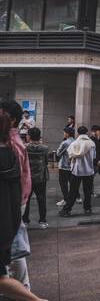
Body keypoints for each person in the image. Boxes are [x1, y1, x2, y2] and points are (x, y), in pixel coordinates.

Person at [0, 110, 46, 301]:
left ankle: (28, 293)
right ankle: (42, 219)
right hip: (32, 185)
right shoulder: (16, 150)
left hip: (16, 201)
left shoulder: (17, 147)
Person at [0, 99, 32, 290]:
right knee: (13, 243)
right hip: (16, 198)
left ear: (10, 119)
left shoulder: (11, 143)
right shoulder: (12, 140)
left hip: (12, 199)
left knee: (12, 244)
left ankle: (23, 288)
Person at [59, 126, 96, 217]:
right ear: (86, 133)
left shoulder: (74, 143)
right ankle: (87, 209)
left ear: (78, 133)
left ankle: (67, 210)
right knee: (87, 191)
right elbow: (94, 157)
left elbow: (70, 156)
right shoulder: (91, 143)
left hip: (77, 171)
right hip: (89, 171)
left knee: (73, 191)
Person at [22, 128, 49, 229]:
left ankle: (25, 220)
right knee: (41, 199)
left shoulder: (24, 148)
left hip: (27, 178)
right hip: (41, 177)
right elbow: (46, 162)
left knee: (26, 200)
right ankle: (42, 220)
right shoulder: (45, 148)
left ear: (29, 136)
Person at [56, 127, 75, 207]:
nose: (63, 134)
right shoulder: (75, 141)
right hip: (72, 165)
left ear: (67, 133)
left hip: (64, 166)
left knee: (63, 183)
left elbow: (58, 153)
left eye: (64, 132)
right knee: (72, 183)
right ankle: (75, 197)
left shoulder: (65, 142)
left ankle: (66, 199)